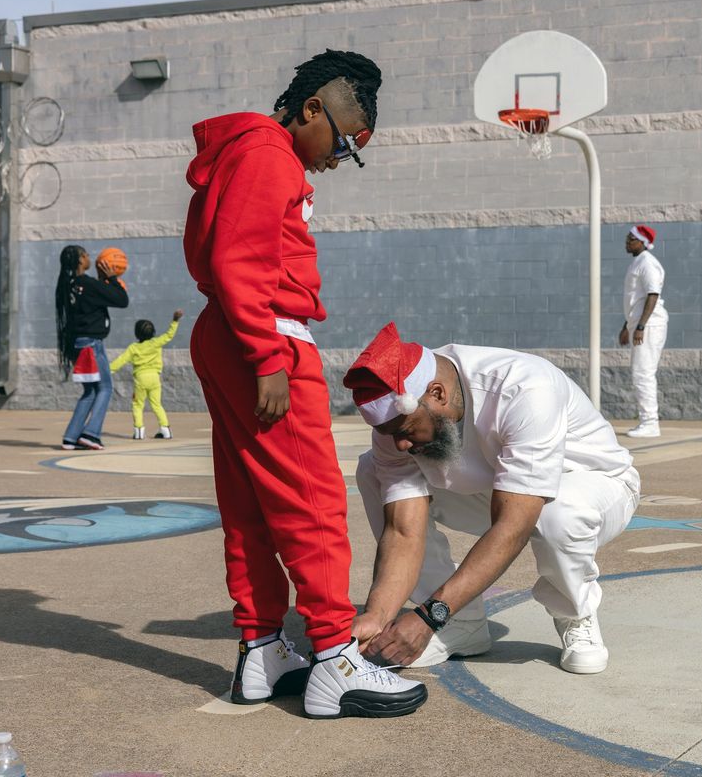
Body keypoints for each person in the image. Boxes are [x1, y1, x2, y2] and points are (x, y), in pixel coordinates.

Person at [183, 49, 426, 720]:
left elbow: (231, 257)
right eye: (343, 140)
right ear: (312, 107)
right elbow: (240, 258)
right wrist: (267, 354)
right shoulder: (267, 152)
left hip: (232, 329)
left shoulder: (249, 150)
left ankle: (263, 651)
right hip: (263, 332)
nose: (340, 156)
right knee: (312, 499)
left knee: (252, 504)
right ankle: (332, 660)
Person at [344, 322, 641, 675]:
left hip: (595, 485)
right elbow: (403, 531)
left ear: (437, 393)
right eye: (390, 435)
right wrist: (378, 614)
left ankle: (574, 614)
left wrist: (428, 616)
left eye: (406, 432)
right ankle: (463, 625)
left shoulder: (525, 388)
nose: (401, 445)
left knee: (558, 513)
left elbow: (513, 526)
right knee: (372, 470)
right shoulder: (400, 421)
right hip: (498, 489)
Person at [55, 244, 129, 451]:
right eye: (86, 255)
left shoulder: (67, 285)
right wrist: (111, 278)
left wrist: (101, 281)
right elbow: (122, 300)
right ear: (80, 261)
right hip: (91, 344)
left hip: (77, 344)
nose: (90, 257)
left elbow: (93, 298)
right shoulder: (87, 284)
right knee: (105, 388)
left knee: (90, 391)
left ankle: (71, 437)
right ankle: (91, 434)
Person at [619, 225, 669, 438]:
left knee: (643, 374)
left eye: (631, 239)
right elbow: (635, 299)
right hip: (639, 324)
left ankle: (650, 423)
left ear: (641, 242)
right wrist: (626, 326)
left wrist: (640, 326)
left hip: (649, 326)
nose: (627, 242)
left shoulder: (648, 263)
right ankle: (647, 421)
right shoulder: (638, 262)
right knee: (641, 373)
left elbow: (652, 294)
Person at [110, 310, 184, 440]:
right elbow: (169, 335)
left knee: (138, 405)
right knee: (157, 404)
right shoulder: (156, 343)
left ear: (137, 333)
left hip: (140, 378)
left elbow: (121, 360)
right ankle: (166, 430)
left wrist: (108, 370)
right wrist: (175, 321)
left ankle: (139, 431)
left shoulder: (134, 348)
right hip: (155, 378)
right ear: (153, 332)